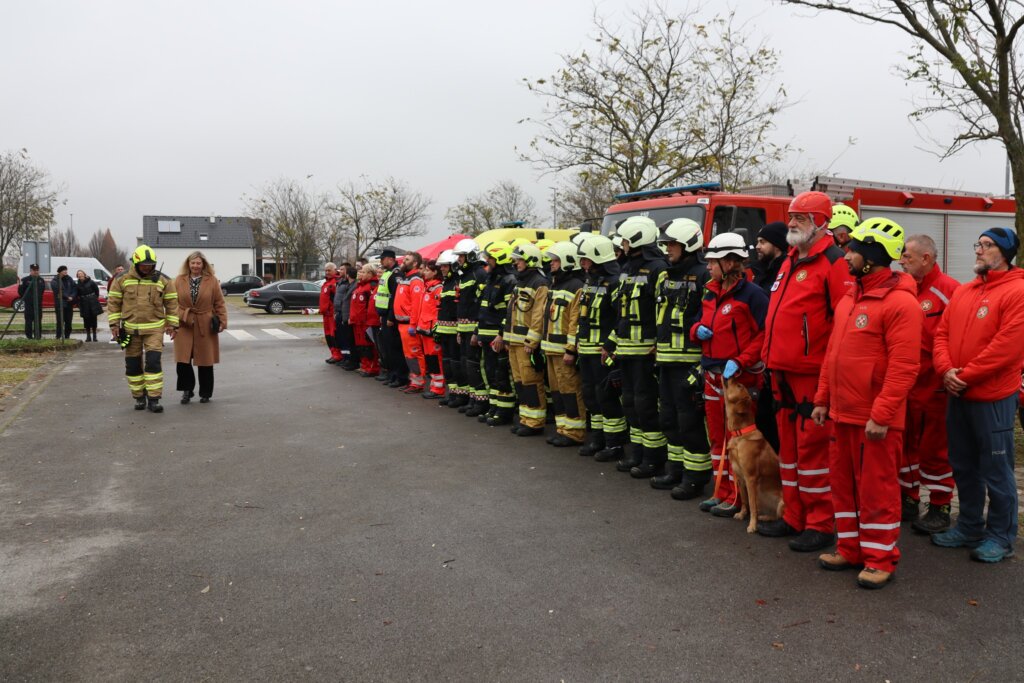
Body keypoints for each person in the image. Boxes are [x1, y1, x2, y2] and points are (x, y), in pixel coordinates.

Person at [812, 218, 922, 589]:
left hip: (874, 420)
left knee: (877, 489)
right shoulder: (850, 298)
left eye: (854, 249)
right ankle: (850, 548)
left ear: (872, 257)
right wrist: (823, 398)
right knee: (842, 485)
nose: (846, 254)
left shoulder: (900, 304)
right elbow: (832, 355)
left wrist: (882, 414)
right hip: (842, 414)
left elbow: (905, 367)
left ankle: (880, 559)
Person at [759, 191, 854, 552]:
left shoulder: (834, 262)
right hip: (782, 371)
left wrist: (828, 380)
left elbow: (841, 325)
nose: (792, 222)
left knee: (814, 452)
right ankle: (794, 516)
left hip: (811, 375)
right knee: (791, 451)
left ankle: (820, 523)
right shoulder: (790, 260)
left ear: (822, 222)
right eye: (792, 215)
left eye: (800, 217)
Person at [932, 227, 1024, 563]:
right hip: (959, 395)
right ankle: (969, 525)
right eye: (978, 244)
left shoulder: (1018, 291)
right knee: (963, 465)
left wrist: (963, 377)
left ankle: (1000, 536)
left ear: (1004, 253)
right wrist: (945, 371)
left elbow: (1007, 349)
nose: (978, 250)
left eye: (987, 246)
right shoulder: (965, 291)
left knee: (996, 470)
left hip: (993, 399)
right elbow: (941, 334)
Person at [693, 232, 769, 518]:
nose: (709, 266)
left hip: (740, 378)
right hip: (713, 373)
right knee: (717, 437)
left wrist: (740, 360)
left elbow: (764, 335)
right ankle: (721, 491)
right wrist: (695, 330)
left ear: (730, 262)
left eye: (713, 261)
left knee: (736, 440)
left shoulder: (753, 295)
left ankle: (739, 497)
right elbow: (702, 321)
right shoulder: (710, 290)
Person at [898, 234, 960, 533]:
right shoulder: (904, 288)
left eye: (907, 256)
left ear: (926, 258)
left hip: (934, 386)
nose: (901, 260)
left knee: (935, 448)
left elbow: (955, 340)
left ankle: (940, 505)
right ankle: (909, 498)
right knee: (904, 444)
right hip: (906, 384)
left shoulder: (949, 292)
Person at [649, 219, 712, 499]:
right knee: (669, 418)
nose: (667, 249)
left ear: (688, 244)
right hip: (665, 359)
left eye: (672, 244)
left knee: (690, 421)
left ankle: (695, 477)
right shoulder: (665, 275)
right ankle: (676, 469)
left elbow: (707, 317)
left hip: (689, 361)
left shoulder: (703, 275)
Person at [605, 216, 669, 477]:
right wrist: (612, 342)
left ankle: (653, 459)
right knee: (630, 403)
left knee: (645, 404)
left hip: (645, 351)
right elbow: (620, 310)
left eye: (626, 240)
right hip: (626, 349)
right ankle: (638, 454)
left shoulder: (657, 268)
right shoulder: (627, 268)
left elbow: (661, 310)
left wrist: (657, 344)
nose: (622, 244)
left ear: (637, 239)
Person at [107, 245, 179, 413]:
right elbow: (113, 303)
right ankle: (139, 397)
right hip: (130, 330)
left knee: (153, 363)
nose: (148, 267)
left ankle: (154, 399)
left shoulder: (163, 280)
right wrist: (114, 325)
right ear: (136, 263)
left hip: (154, 329)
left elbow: (172, 303)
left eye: (150, 264)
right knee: (132, 366)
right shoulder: (122, 279)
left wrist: (172, 325)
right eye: (144, 265)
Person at [577, 235, 628, 461]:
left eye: (586, 260)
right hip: (586, 351)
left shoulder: (615, 283)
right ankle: (597, 438)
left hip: (602, 352)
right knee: (591, 396)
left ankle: (614, 443)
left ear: (598, 259)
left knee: (606, 397)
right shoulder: (590, 282)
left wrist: (610, 345)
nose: (583, 265)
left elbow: (621, 318)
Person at [494, 242, 549, 436]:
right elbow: (511, 313)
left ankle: (535, 422)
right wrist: (505, 338)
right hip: (514, 342)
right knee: (519, 381)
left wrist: (532, 342)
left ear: (531, 260)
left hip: (526, 343)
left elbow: (538, 316)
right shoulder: (520, 282)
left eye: (519, 260)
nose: (516, 263)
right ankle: (526, 418)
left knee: (531, 382)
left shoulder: (539, 283)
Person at [540, 241, 586, 447]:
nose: (551, 264)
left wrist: (571, 349)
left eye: (556, 260)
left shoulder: (576, 287)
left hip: (563, 351)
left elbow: (575, 321)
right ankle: (563, 428)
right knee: (558, 392)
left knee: (570, 391)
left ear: (567, 261)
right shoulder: (554, 284)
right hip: (550, 348)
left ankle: (574, 432)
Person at [173, 251, 227, 404]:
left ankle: (205, 393)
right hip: (184, 323)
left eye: (198, 263)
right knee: (183, 361)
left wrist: (222, 320)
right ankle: (186, 390)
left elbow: (219, 302)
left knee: (205, 360)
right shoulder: (178, 280)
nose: (195, 266)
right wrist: (174, 320)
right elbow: (171, 303)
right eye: (193, 263)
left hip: (205, 323)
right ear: (188, 264)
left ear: (203, 264)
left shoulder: (212, 281)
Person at [477, 241, 518, 426]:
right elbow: (484, 309)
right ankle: (494, 407)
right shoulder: (490, 279)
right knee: (490, 373)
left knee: (502, 375)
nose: (487, 262)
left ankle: (505, 411)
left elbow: (508, 312)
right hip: (486, 333)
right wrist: (477, 332)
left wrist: (502, 335)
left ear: (499, 259)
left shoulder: (509, 281)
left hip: (497, 335)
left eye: (490, 259)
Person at [453, 238, 489, 417]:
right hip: (465, 328)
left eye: (462, 256)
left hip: (475, 328)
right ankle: (474, 399)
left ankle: (481, 402)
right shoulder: (464, 275)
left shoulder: (479, 274)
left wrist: (477, 331)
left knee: (475, 365)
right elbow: (462, 305)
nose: (459, 259)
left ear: (471, 256)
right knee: (467, 364)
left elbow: (482, 304)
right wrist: (460, 329)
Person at [393, 252, 427, 393]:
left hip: (409, 325)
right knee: (408, 355)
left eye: (407, 260)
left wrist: (413, 325)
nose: (403, 261)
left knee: (414, 354)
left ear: (415, 264)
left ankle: (418, 382)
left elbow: (417, 305)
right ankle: (413, 380)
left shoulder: (415, 281)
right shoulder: (405, 279)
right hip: (402, 324)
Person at [375, 249, 408, 388]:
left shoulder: (396, 274)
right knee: (388, 348)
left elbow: (395, 297)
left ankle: (400, 377)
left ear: (390, 259)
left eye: (382, 259)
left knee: (395, 348)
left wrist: (391, 317)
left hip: (390, 317)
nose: (381, 262)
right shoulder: (387, 273)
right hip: (383, 315)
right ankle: (392, 374)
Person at [434, 250, 462, 404]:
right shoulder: (447, 283)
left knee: (455, 364)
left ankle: (460, 395)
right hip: (444, 331)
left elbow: (458, 310)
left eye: (445, 266)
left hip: (454, 332)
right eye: (442, 266)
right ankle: (452, 393)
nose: (442, 269)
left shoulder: (457, 283)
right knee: (447, 363)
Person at [416, 259, 446, 399]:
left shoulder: (438, 288)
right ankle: (434, 386)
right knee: (430, 359)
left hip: (431, 330)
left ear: (435, 272)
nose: (424, 272)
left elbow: (438, 311)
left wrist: (435, 329)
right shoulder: (427, 287)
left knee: (436, 359)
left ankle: (438, 389)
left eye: (427, 270)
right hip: (424, 328)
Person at [349, 264, 381, 377]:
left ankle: (372, 367)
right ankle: (364, 365)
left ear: (370, 274)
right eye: (360, 272)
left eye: (363, 272)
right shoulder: (360, 286)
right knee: (361, 346)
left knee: (368, 346)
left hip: (365, 322)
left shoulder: (371, 286)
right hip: (357, 322)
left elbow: (370, 306)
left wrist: (368, 320)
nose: (360, 274)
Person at [753, 221, 788, 293]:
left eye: (762, 242)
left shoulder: (786, 271)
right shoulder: (760, 270)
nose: (757, 247)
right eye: (757, 242)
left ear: (777, 245)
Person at [320, 263, 343, 364]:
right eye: (326, 270)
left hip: (332, 314)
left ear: (335, 270)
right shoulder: (327, 283)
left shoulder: (336, 282)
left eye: (329, 270)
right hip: (326, 314)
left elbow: (337, 299)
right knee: (328, 335)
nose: (327, 272)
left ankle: (338, 354)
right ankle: (333, 353)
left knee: (334, 335)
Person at [17, 264, 45, 339]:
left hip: (38, 304)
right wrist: (28, 298)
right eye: (34, 270)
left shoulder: (41, 280)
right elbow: (20, 292)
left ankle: (38, 336)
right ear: (31, 270)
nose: (36, 272)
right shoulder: (24, 280)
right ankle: (29, 337)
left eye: (37, 270)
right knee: (29, 321)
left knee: (38, 321)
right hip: (29, 305)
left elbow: (42, 291)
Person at [75, 269, 102, 341]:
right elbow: (77, 294)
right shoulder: (77, 284)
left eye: (81, 273)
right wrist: (78, 303)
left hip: (92, 302)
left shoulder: (91, 282)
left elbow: (96, 291)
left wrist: (94, 298)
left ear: (84, 274)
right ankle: (88, 336)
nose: (80, 275)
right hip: (84, 303)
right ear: (77, 276)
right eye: (79, 274)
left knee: (93, 319)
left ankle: (94, 336)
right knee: (86, 319)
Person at [51, 265, 75, 339]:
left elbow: (74, 288)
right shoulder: (55, 280)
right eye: (64, 270)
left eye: (66, 270)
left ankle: (67, 336)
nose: (65, 271)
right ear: (60, 272)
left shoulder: (69, 279)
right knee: (60, 321)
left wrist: (72, 296)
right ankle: (58, 336)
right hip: (60, 304)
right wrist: (67, 297)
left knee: (68, 321)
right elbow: (58, 291)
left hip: (69, 304)